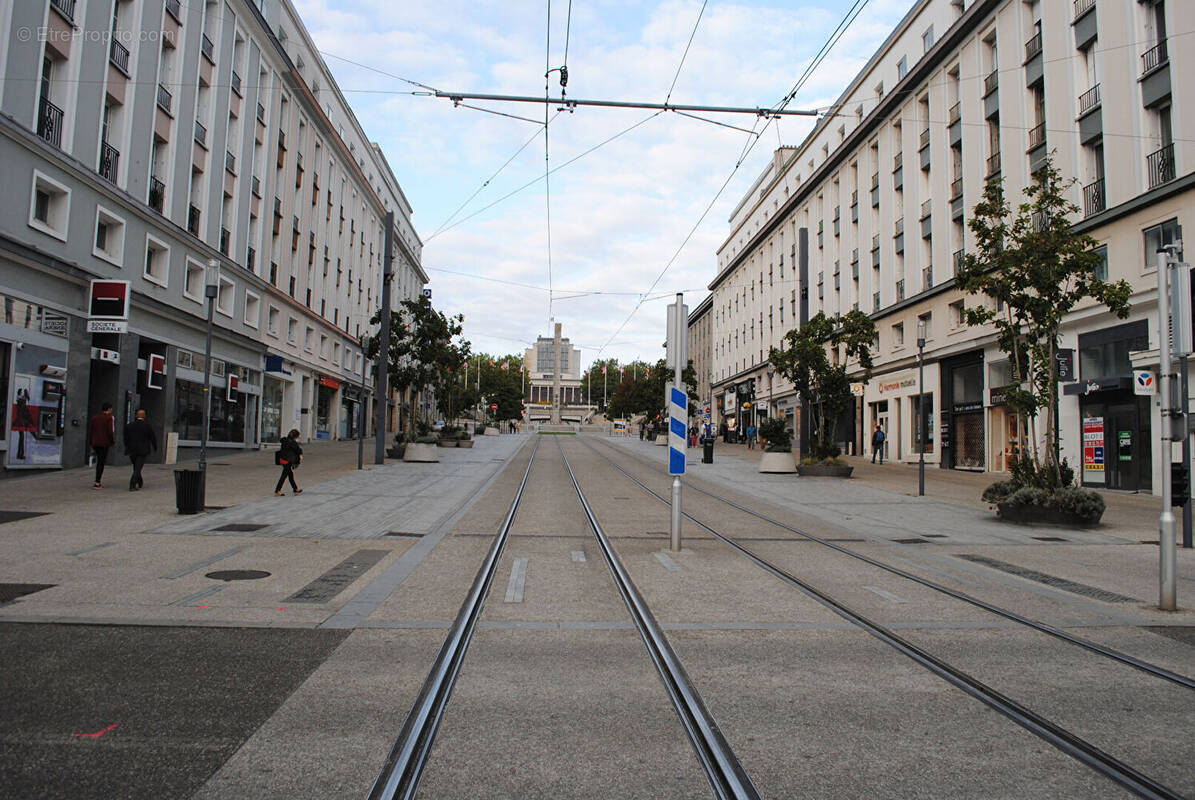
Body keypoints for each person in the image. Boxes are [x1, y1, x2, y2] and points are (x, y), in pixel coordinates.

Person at [123, 409, 158, 491]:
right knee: (138, 467)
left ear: (136, 416)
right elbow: (152, 437)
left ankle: (140, 481)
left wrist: (127, 447)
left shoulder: (129, 425)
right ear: (144, 416)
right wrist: (155, 447)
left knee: (136, 466)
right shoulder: (147, 426)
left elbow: (126, 438)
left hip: (132, 449)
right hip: (143, 449)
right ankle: (132, 484)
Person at [88, 402, 116, 489]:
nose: (111, 410)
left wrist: (91, 441)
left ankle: (97, 481)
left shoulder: (95, 418)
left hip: (95, 442)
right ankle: (97, 482)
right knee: (101, 462)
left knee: (99, 460)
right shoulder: (109, 418)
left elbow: (92, 430)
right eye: (111, 408)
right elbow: (110, 431)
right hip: (104, 443)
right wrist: (112, 442)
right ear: (109, 409)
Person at [274, 429, 304, 496]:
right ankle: (277, 490)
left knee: (290, 475)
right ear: (295, 436)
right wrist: (300, 455)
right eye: (297, 437)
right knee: (284, 476)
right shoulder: (292, 442)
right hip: (287, 460)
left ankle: (295, 489)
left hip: (282, 459)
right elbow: (298, 450)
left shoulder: (285, 440)